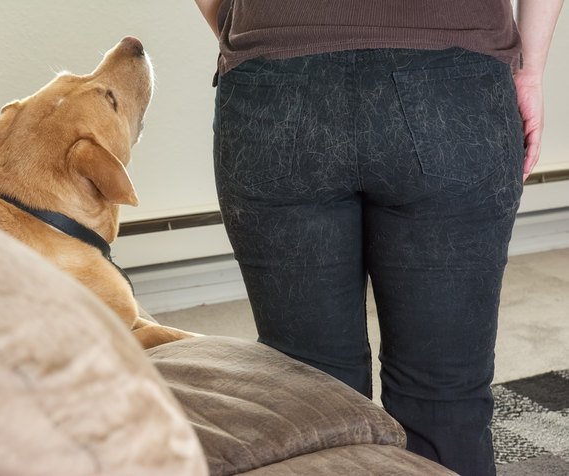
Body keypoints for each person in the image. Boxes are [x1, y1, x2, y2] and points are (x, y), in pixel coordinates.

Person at [194, 1, 564, 474]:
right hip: (455, 76)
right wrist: (529, 72)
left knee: (313, 399)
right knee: (445, 394)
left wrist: (256, 25)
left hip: (275, 75)